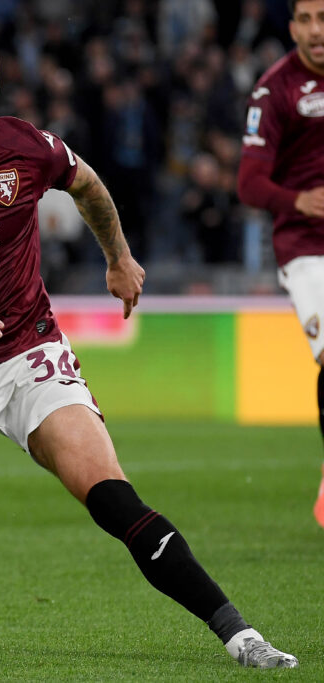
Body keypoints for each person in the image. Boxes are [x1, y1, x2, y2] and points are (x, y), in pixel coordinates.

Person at [0, 37, 298, 669]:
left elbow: (88, 186)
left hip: (30, 360)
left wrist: (118, 258)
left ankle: (240, 635)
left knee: (114, 500)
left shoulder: (28, 149)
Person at [237, 0, 324, 528]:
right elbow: (248, 183)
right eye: (308, 19)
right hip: (308, 249)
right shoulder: (276, 89)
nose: (318, 30)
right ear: (292, 27)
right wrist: (299, 201)